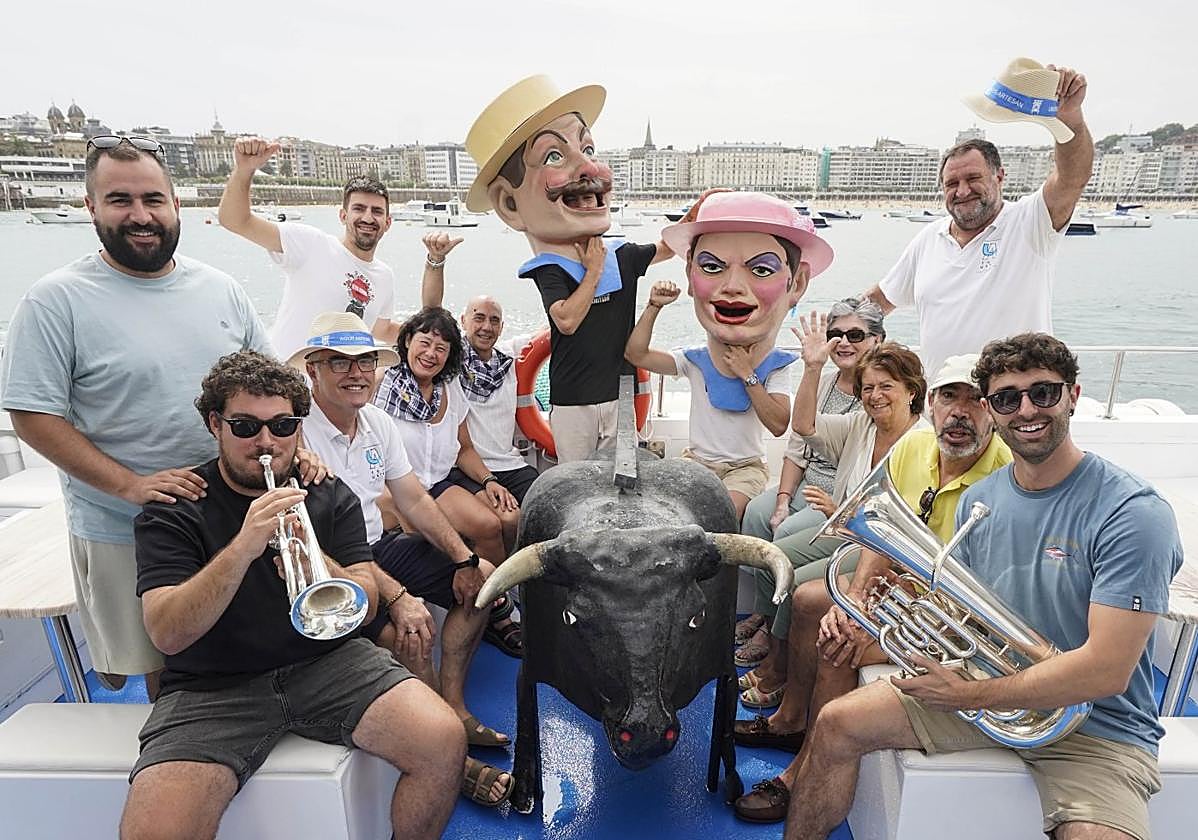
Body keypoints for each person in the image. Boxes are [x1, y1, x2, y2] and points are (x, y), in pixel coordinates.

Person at [782, 333, 1184, 840]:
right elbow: (958, 609)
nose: (1026, 411)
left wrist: (973, 693)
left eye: (1043, 393)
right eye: (1006, 398)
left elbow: (1106, 671)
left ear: (1074, 397)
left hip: (1094, 729)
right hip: (982, 689)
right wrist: (874, 623)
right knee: (839, 723)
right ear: (994, 410)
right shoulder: (985, 498)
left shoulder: (1132, 513)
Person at [120, 351, 467, 839]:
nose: (266, 442)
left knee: (442, 740)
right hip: (212, 689)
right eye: (245, 427)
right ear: (215, 424)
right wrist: (244, 546)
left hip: (327, 663)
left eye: (283, 425)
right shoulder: (176, 511)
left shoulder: (326, 493)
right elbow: (168, 633)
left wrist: (324, 567)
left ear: (299, 429)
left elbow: (366, 598)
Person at [0, 135, 276, 697]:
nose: (140, 215)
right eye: (120, 200)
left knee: (242, 645)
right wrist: (129, 485)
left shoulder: (222, 290)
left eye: (153, 199)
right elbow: (33, 415)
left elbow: (270, 387)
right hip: (121, 523)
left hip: (228, 514)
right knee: (163, 666)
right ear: (91, 208)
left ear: (177, 205)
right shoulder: (56, 300)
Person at [732, 354, 1015, 824]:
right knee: (810, 602)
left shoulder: (1004, 478)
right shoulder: (914, 450)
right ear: (933, 404)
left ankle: (803, 768)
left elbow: (977, 591)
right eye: (950, 397)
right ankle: (794, 719)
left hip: (952, 615)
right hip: (903, 587)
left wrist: (867, 625)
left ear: (992, 411)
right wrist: (857, 601)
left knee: (838, 644)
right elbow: (882, 535)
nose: (960, 412)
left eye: (975, 400)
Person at [291, 312, 515, 770]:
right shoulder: (294, 431)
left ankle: (452, 706)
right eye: (339, 363)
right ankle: (445, 743)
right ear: (312, 368)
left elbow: (412, 499)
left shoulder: (376, 422)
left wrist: (466, 559)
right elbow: (308, 542)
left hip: (379, 545)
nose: (356, 374)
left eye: (365, 362)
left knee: (485, 581)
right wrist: (398, 597)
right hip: (331, 566)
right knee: (408, 633)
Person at [464, 75, 676, 462]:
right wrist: (593, 271)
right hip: (573, 401)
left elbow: (667, 247)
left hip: (622, 394)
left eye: (588, 148)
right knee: (577, 484)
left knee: (623, 483)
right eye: (554, 156)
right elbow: (565, 320)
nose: (589, 167)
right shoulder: (550, 269)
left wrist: (703, 220)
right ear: (510, 205)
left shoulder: (621, 254)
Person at [863, 66, 1093, 380]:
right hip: (946, 405)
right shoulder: (929, 238)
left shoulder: (1030, 222)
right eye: (951, 183)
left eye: (973, 178)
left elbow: (1072, 176)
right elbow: (878, 301)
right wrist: (834, 327)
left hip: (1016, 406)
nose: (962, 191)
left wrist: (1070, 118)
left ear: (999, 176)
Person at [735, 341, 929, 710]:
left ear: (912, 390)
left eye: (886, 386)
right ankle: (777, 655)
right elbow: (804, 424)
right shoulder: (861, 425)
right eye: (868, 387)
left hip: (881, 549)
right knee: (770, 558)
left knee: (799, 586)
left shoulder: (922, 443)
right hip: (844, 529)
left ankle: (780, 672)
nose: (875, 396)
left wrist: (840, 511)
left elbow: (902, 529)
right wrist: (812, 368)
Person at [626, 191, 831, 521]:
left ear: (797, 282)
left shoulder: (776, 367)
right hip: (697, 462)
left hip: (744, 470)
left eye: (762, 270)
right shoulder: (693, 360)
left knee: (723, 515)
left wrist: (748, 374)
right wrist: (653, 307)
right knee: (671, 517)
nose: (733, 286)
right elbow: (636, 354)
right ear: (690, 275)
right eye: (711, 266)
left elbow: (779, 425)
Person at [374, 307, 523, 657]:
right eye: (424, 343)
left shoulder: (450, 392)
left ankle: (492, 608)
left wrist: (489, 481)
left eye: (441, 349)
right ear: (407, 341)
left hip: (437, 483)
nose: (431, 354)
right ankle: (484, 608)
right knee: (427, 536)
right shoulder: (380, 385)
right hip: (391, 488)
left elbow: (465, 449)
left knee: (491, 523)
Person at [735, 296, 882, 651]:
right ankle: (763, 612)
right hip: (806, 484)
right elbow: (796, 448)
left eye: (856, 335)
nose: (844, 342)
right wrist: (784, 498)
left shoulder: (878, 391)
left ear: (877, 340)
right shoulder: (824, 382)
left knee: (783, 531)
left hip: (838, 496)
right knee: (758, 513)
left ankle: (773, 631)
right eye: (836, 334)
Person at [218, 137, 398, 359]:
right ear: (343, 216)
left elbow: (382, 330)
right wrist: (244, 170)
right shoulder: (310, 244)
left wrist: (440, 337)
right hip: (285, 385)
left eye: (377, 211)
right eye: (359, 209)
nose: (368, 218)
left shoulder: (384, 276)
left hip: (337, 391)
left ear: (387, 223)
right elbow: (235, 220)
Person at [419, 232, 541, 503]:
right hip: (465, 465)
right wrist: (436, 260)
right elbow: (431, 311)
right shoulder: (451, 359)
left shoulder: (510, 357)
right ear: (463, 321)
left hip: (511, 465)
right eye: (479, 318)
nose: (487, 327)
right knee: (505, 517)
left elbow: (556, 329)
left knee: (545, 502)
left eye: (494, 320)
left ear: (502, 327)